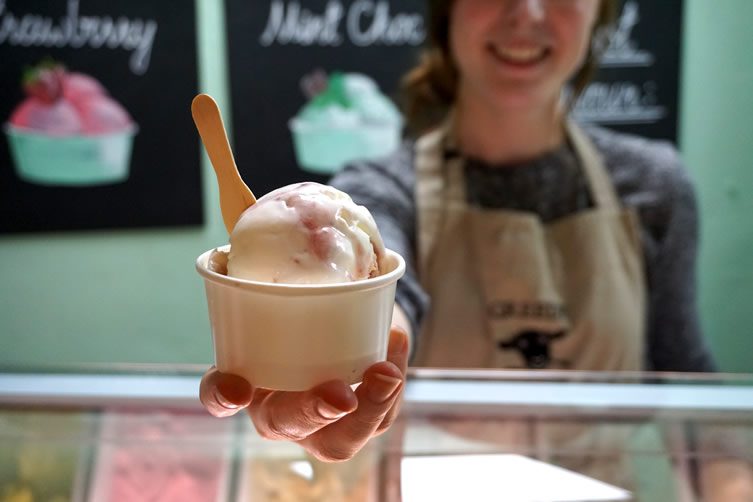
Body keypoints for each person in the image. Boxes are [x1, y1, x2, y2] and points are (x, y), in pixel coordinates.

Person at [199, 0, 733, 477]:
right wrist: (348, 362)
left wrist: (732, 481)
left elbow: (689, 383)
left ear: (602, 12)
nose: (527, 12)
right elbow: (385, 303)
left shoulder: (655, 187)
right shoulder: (381, 189)